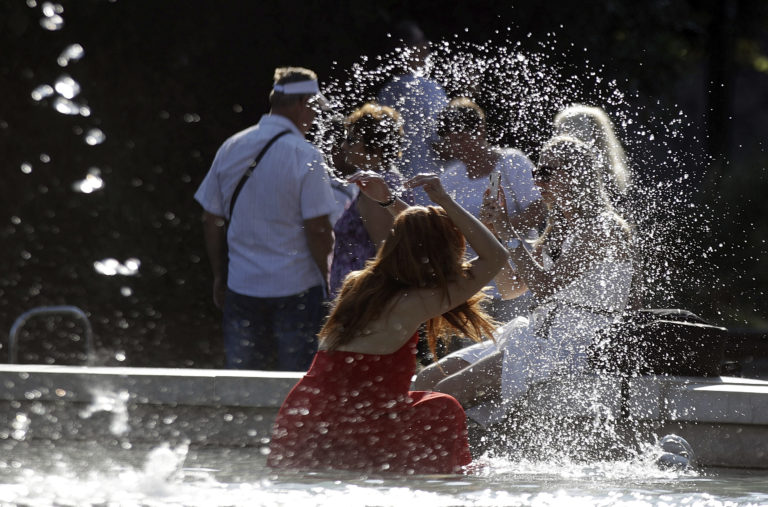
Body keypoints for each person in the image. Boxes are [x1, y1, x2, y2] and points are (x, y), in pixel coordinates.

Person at [267, 172, 508, 474]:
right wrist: (443, 200)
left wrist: (391, 203)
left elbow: (418, 239)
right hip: (352, 425)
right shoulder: (416, 302)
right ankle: (451, 482)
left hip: (303, 416)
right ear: (443, 254)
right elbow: (496, 255)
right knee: (442, 407)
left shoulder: (359, 285)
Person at [413, 136, 634, 428]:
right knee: (425, 379)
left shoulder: (603, 227)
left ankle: (426, 459)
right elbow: (511, 288)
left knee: (444, 393)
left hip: (575, 344)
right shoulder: (557, 229)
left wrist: (508, 233)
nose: (536, 180)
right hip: (538, 334)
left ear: (576, 174)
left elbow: (545, 287)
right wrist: (496, 235)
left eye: (546, 172)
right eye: (535, 172)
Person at [194, 67, 336, 371]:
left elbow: (211, 218)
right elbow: (318, 228)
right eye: (314, 109)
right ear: (302, 104)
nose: (315, 119)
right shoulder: (305, 154)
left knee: (244, 385)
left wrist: (220, 274)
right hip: (297, 288)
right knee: (296, 386)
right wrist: (328, 279)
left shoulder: (232, 145)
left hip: (242, 286)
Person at [432, 97, 546, 321]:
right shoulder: (450, 178)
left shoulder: (510, 162)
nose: (458, 147)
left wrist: (498, 229)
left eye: (462, 139)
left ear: (481, 131)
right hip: (474, 282)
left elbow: (538, 209)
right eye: (452, 141)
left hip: (517, 273)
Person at [329, 102, 413, 295]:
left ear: (374, 146)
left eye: (351, 140)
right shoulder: (387, 181)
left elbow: (386, 254)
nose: (343, 146)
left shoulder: (376, 189)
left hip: (365, 300)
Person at [378, 20, 448, 203]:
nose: (427, 46)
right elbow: (442, 141)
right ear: (408, 49)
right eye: (421, 41)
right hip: (430, 189)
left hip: (397, 189)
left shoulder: (385, 92)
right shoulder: (428, 88)